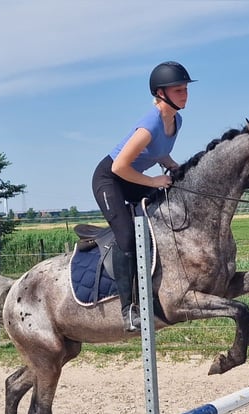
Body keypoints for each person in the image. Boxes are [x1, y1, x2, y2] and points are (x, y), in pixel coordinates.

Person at [92, 61, 195, 331]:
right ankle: (128, 311)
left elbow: (158, 151)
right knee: (126, 239)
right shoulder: (150, 123)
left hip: (131, 178)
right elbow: (119, 167)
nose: (185, 94)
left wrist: (173, 166)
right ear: (161, 93)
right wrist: (153, 180)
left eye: (185, 89)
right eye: (179, 90)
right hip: (110, 180)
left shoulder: (176, 120)